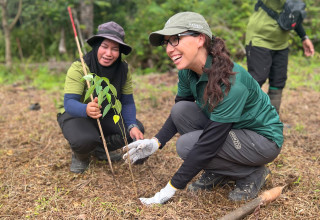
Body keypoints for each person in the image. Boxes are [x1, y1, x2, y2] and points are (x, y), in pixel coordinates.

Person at [122, 11, 283, 205]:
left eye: (175, 39)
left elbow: (208, 144)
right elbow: (179, 114)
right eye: (167, 43)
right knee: (181, 110)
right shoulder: (188, 71)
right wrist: (156, 142)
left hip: (262, 139)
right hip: (232, 130)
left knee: (187, 145)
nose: (169, 49)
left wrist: (171, 188)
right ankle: (220, 170)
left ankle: (252, 173)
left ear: (200, 39)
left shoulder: (232, 82)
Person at [57, 21, 144, 173]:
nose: (109, 53)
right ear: (97, 46)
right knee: (84, 140)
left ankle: (99, 149)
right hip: (78, 115)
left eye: (114, 49)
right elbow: (69, 102)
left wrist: (132, 125)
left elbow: (127, 102)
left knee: (134, 131)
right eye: (104, 47)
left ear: (120, 52)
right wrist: (86, 109)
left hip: (106, 114)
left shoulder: (123, 68)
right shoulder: (81, 67)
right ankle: (81, 155)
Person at [246, 0, 315, 113]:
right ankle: (240, 119)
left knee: (278, 81)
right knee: (257, 79)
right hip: (260, 39)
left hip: (281, 43)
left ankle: (272, 122)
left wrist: (304, 37)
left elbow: (292, 13)